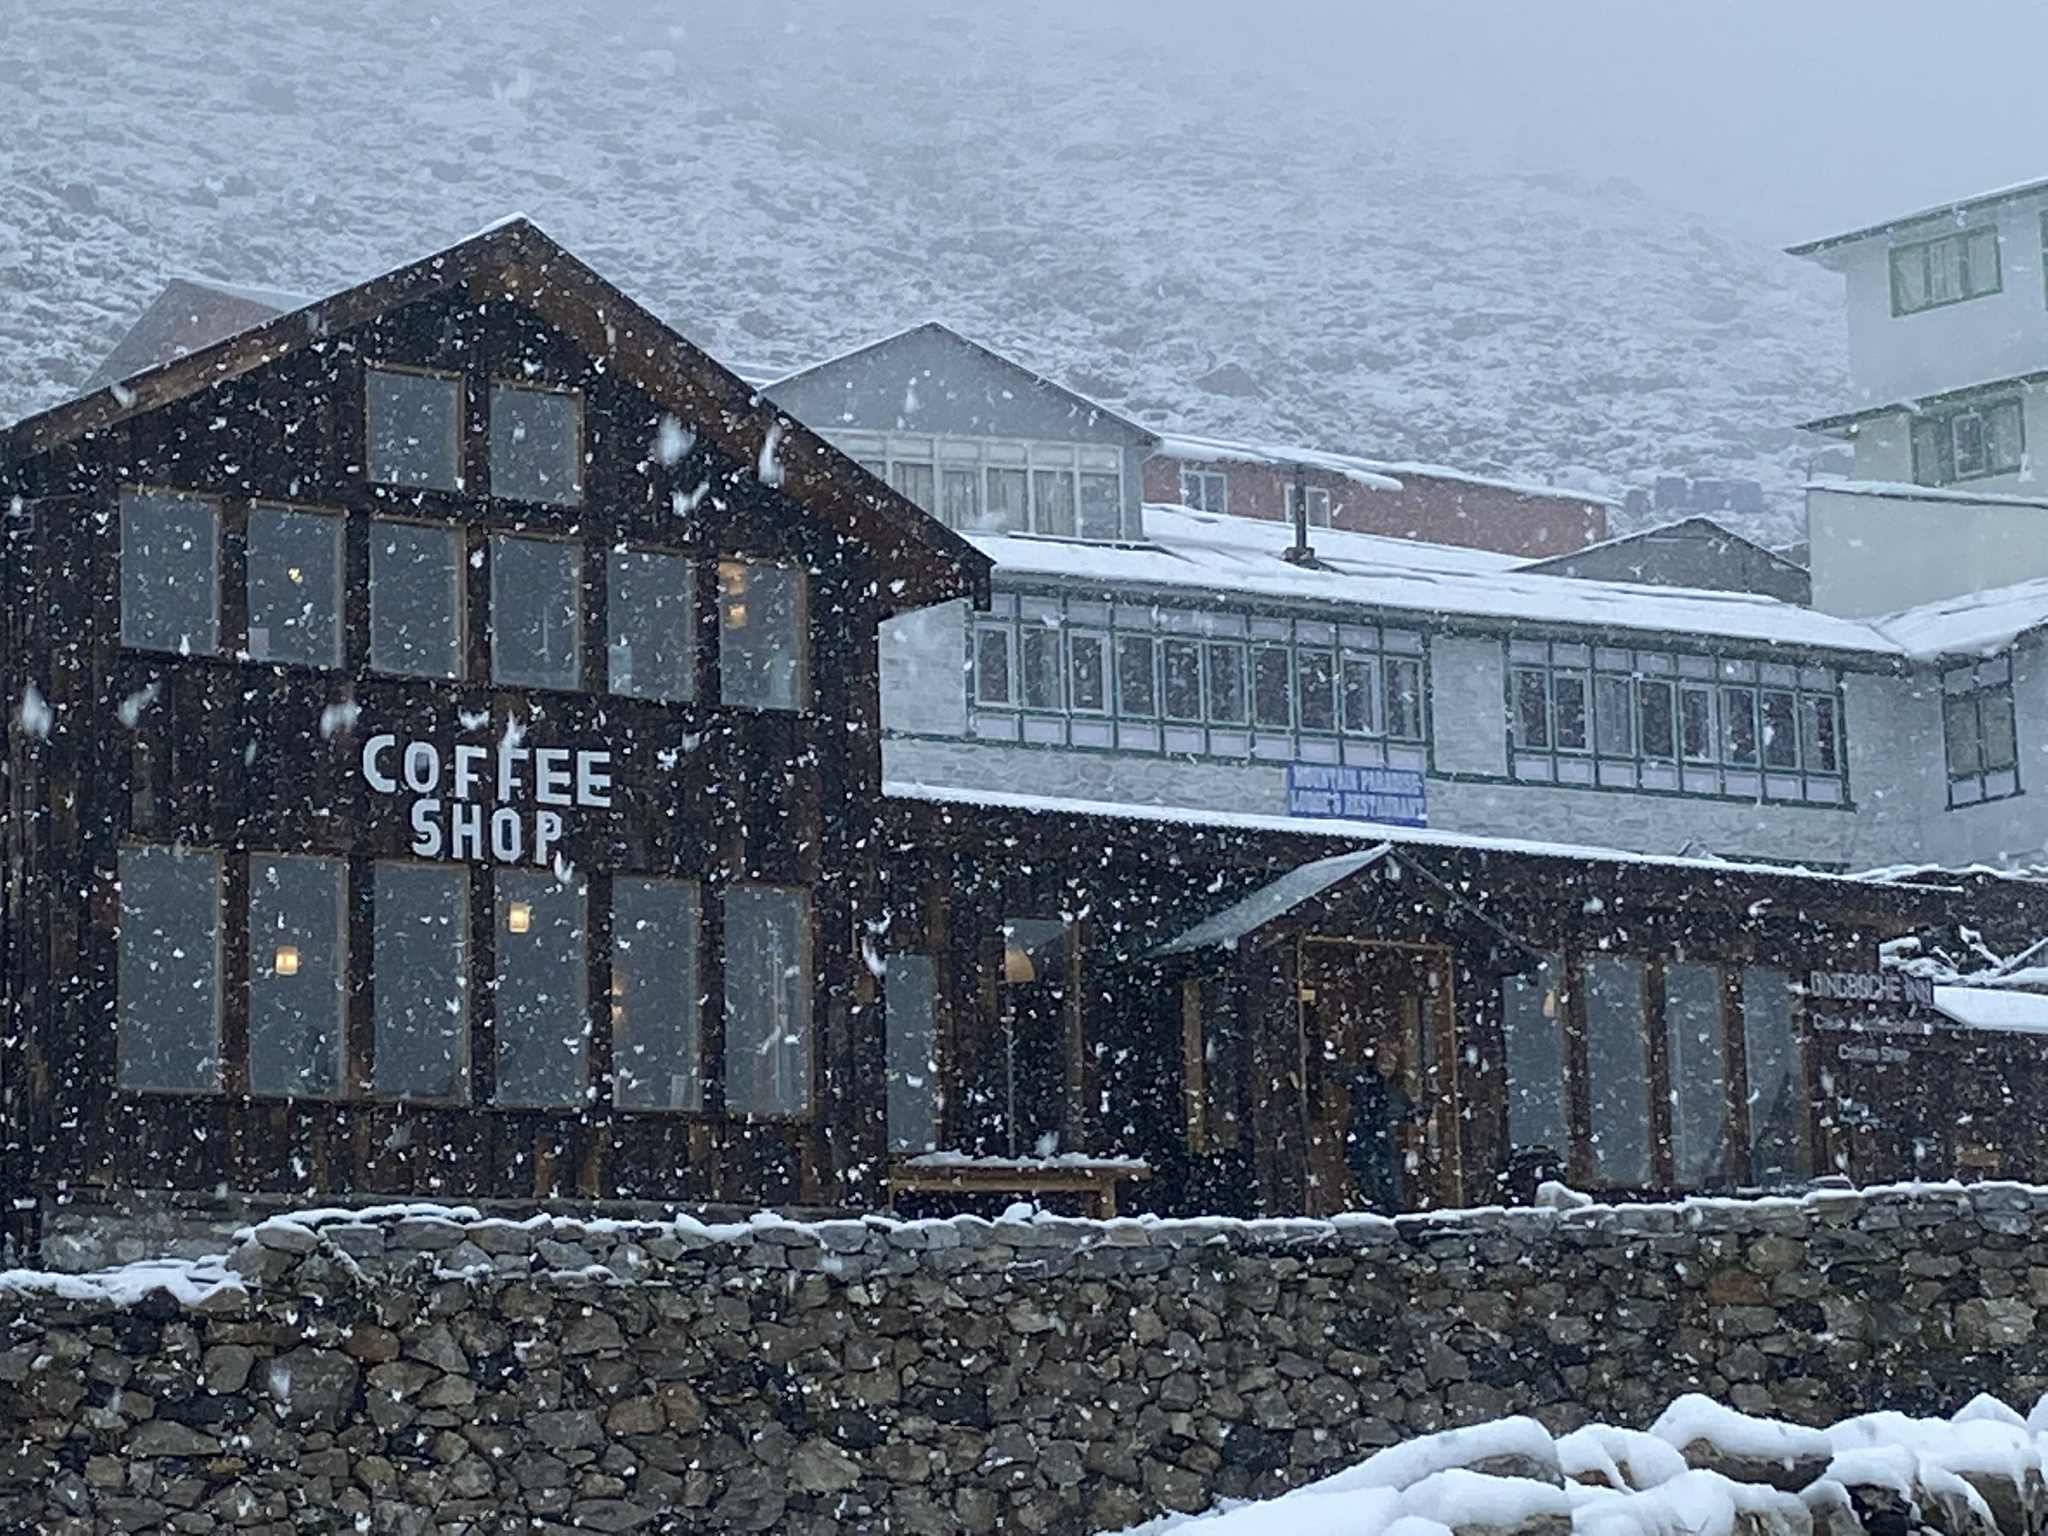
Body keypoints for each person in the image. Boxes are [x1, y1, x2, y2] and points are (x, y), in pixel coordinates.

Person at [1345, 1047, 1414, 1214]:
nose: (1387, 1067)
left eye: (1392, 1063)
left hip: (1383, 1146)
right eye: (1383, 1062)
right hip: (1365, 1144)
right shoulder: (1363, 1082)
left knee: (1387, 1182)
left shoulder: (1394, 1091)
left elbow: (1407, 1112)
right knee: (1371, 1181)